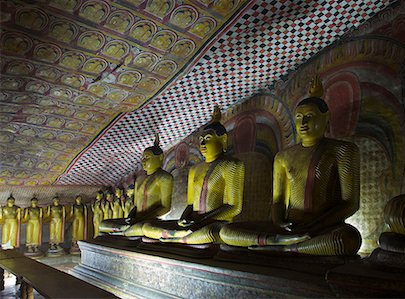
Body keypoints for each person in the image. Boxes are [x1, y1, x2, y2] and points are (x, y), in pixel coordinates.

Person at [219, 77, 362, 255]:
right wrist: (280, 222)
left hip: (322, 229)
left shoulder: (342, 150)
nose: (303, 124)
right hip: (289, 227)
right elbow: (278, 201)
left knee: (348, 239)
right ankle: (279, 242)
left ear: (326, 119)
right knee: (226, 232)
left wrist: (314, 225)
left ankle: (286, 248)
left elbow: (350, 203)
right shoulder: (283, 157)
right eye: (299, 118)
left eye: (310, 117)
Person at [137, 106, 245, 245]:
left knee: (212, 233)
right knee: (147, 227)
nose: (203, 143)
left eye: (207, 138)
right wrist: (184, 218)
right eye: (201, 140)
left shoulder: (231, 165)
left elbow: (234, 207)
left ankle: (177, 238)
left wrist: (203, 220)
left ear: (223, 140)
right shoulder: (194, 170)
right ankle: (181, 237)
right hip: (193, 224)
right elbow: (190, 203)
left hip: (214, 224)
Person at [99, 134, 173, 235]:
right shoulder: (140, 179)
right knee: (103, 224)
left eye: (147, 157)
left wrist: (141, 219)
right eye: (142, 158)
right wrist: (131, 218)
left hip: (150, 221)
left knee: (144, 228)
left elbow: (165, 207)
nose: (143, 160)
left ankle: (124, 231)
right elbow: (136, 205)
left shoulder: (164, 177)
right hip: (136, 220)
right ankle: (125, 230)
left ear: (160, 157)